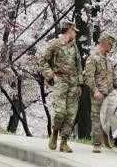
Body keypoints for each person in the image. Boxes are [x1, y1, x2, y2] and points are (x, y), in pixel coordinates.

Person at [39, 21, 83, 153]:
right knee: (60, 112)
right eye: (74, 31)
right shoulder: (55, 44)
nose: (75, 34)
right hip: (61, 81)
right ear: (70, 30)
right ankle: (55, 133)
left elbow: (78, 65)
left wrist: (80, 84)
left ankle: (64, 142)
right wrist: (50, 75)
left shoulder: (74, 46)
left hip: (73, 83)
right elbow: (43, 60)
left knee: (71, 114)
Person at [84, 33, 117, 153]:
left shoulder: (108, 60)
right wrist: (95, 91)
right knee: (96, 118)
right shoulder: (92, 58)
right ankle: (97, 143)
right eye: (110, 44)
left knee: (116, 115)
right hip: (99, 93)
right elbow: (88, 76)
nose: (112, 47)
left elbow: (114, 77)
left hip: (110, 93)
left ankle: (107, 137)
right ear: (104, 42)